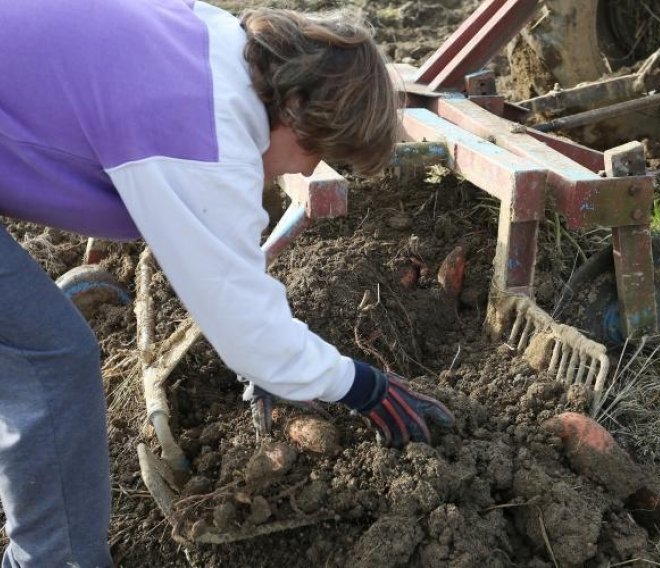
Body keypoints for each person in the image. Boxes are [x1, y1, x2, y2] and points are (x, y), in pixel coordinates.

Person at [0, 1, 455, 566]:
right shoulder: (201, 133)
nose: (311, 171)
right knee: (50, 361)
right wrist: (365, 387)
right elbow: (243, 322)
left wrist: (270, 359)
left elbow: (233, 286)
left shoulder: (212, 39)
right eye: (317, 149)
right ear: (294, 106)